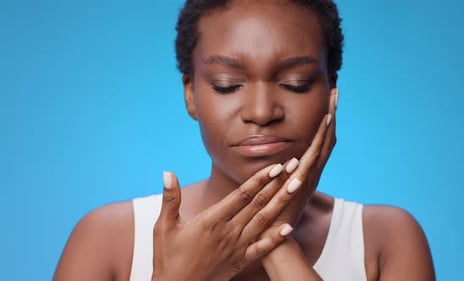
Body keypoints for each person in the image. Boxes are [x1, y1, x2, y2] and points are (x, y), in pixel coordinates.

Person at [54, 0, 435, 280]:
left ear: (331, 92)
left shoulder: (385, 240)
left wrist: (275, 241)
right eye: (228, 85)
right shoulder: (110, 239)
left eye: (295, 84)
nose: (261, 110)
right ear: (191, 95)